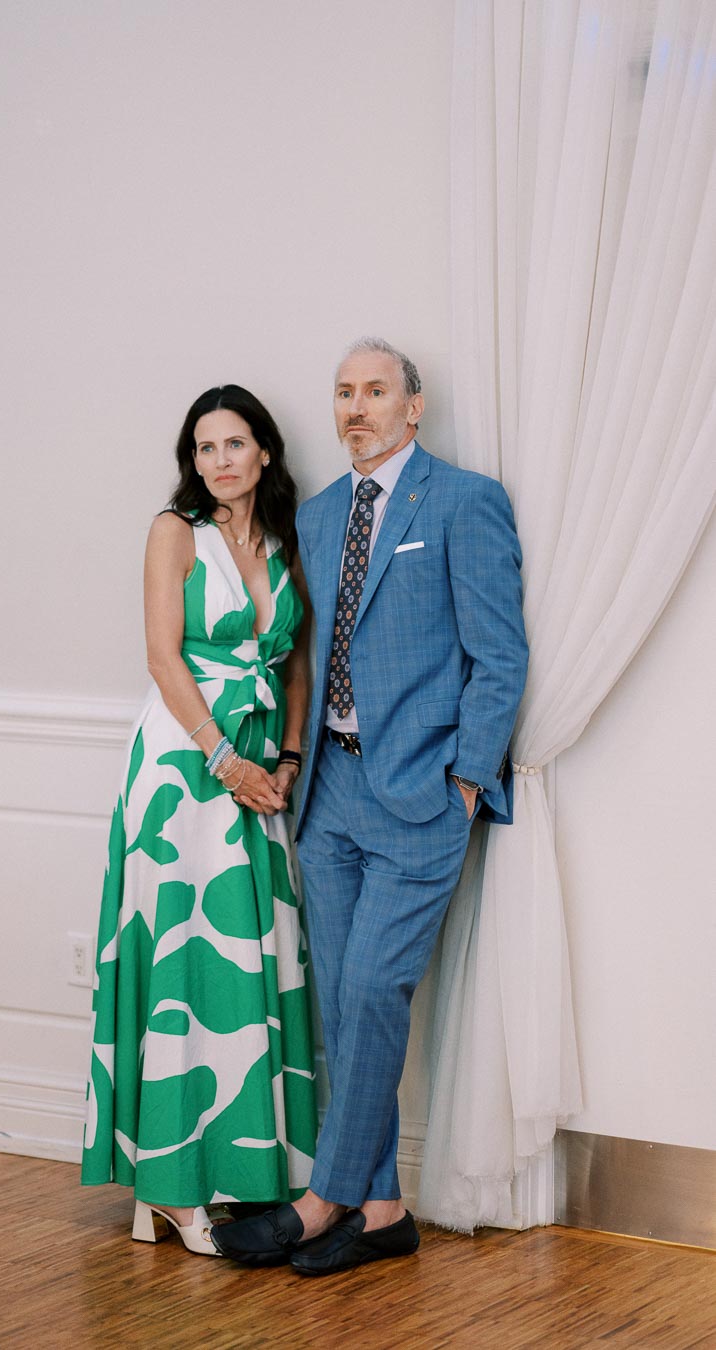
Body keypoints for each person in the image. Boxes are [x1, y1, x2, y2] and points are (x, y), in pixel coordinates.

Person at [212, 337, 529, 1275]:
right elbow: (310, 650)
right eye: (344, 393)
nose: (357, 408)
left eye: (376, 391)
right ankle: (385, 1207)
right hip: (332, 795)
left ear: (413, 406)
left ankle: (324, 1199)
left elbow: (499, 656)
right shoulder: (317, 517)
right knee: (344, 1013)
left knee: (371, 988)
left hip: (422, 795)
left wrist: (467, 782)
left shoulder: (465, 502)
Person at [81, 385, 318, 1256]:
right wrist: (225, 759)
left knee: (250, 965)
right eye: (204, 446)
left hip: (261, 766)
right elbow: (161, 653)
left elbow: (294, 663)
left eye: (234, 444)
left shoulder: (286, 541)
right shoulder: (174, 531)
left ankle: (245, 1177)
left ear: (264, 453)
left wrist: (285, 760)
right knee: (186, 968)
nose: (219, 460)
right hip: (186, 767)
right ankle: (172, 1193)